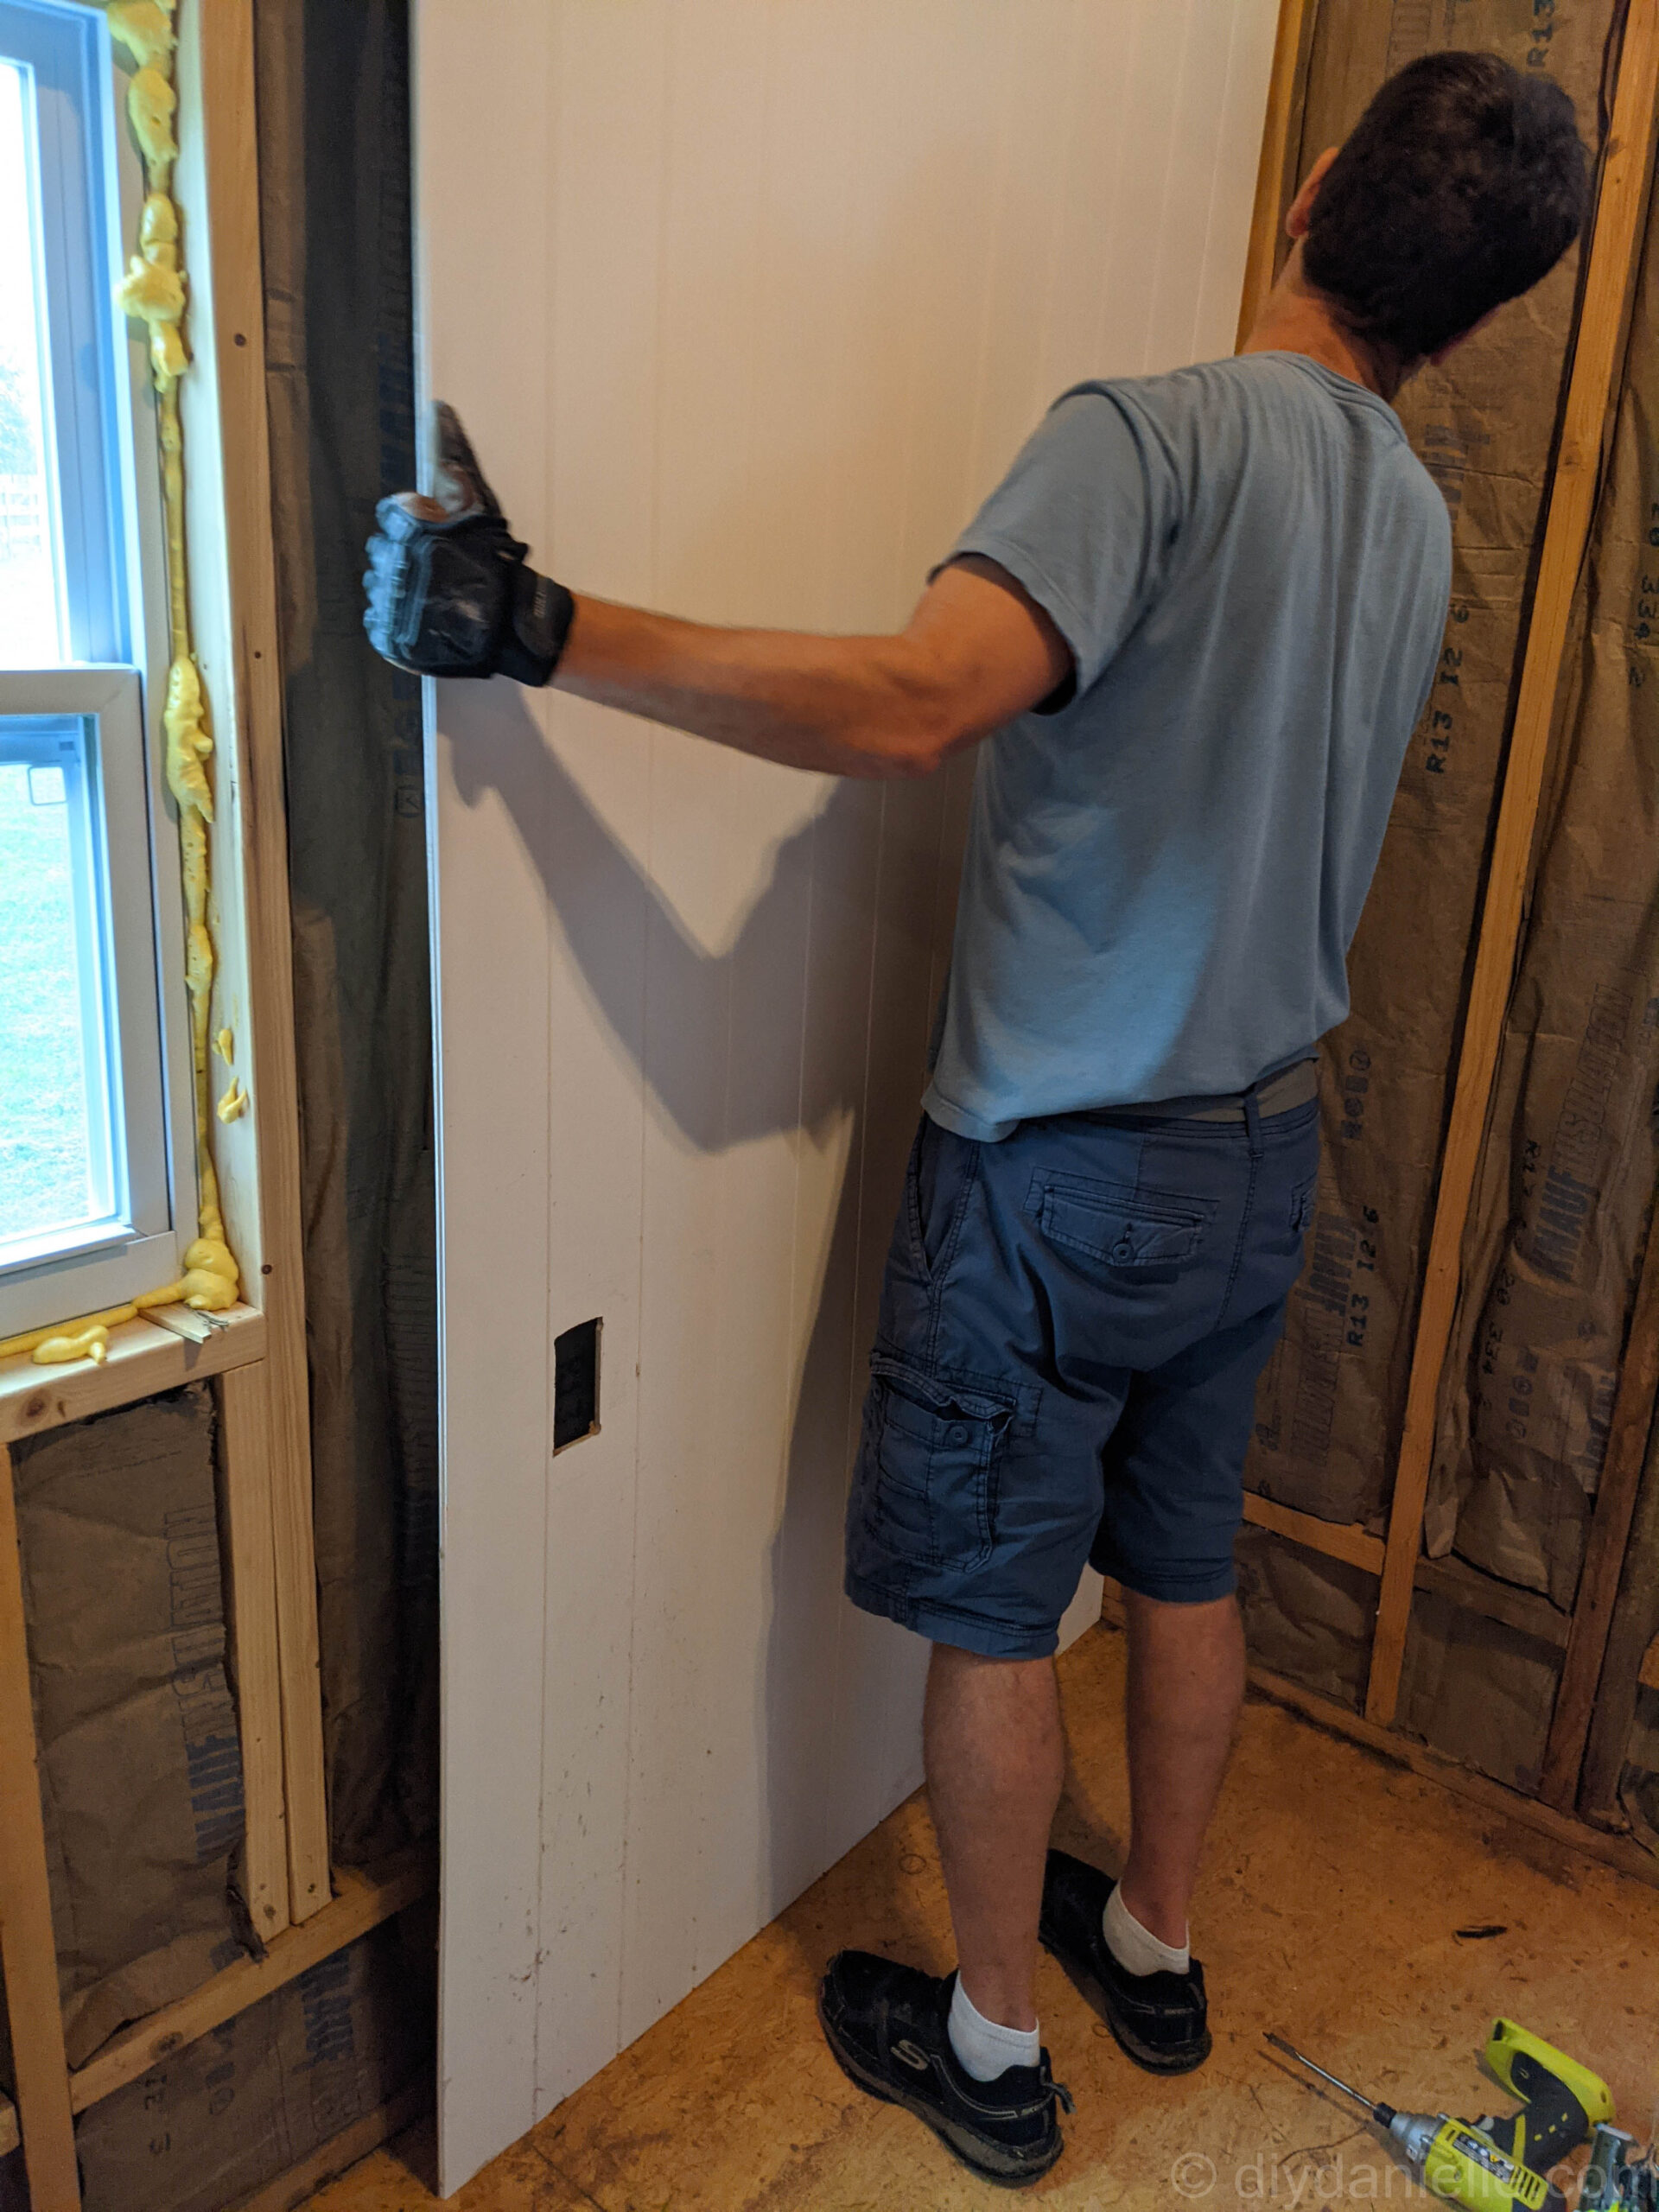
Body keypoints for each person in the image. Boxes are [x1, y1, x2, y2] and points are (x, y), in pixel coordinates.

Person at [364, 49, 1588, 2189]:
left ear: (1305, 195)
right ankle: (1158, 1941)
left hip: (1066, 1169)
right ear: (1469, 319)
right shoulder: (1414, 512)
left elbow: (922, 696)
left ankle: (998, 2050)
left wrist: (535, 626)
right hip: (1253, 1157)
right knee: (1183, 1561)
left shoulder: (1151, 440)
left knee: (998, 1611)